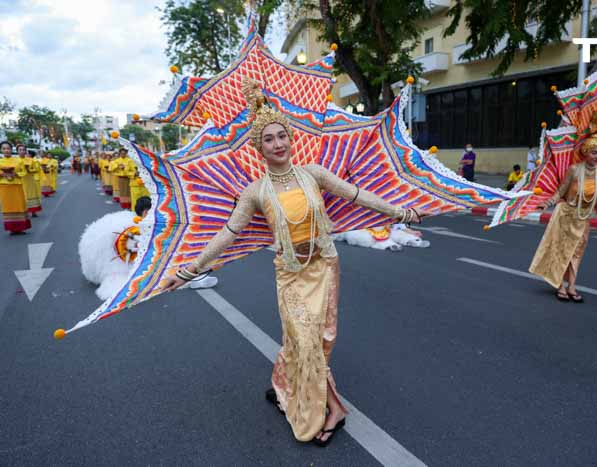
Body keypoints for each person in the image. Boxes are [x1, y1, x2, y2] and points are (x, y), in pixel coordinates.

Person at [160, 79, 425, 447]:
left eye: (281, 135)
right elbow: (227, 234)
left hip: (325, 267)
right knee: (305, 341)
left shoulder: (313, 174)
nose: (277, 144)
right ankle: (335, 409)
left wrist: (401, 213)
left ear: (291, 138)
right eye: (268, 139)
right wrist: (188, 270)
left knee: (321, 338)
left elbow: (357, 196)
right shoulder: (255, 192)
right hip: (291, 275)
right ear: (259, 148)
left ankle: (283, 383)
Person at [530, 112, 597, 303]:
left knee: (576, 253)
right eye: (593, 152)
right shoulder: (574, 170)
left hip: (583, 219)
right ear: (585, 152)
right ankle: (559, 286)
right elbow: (560, 191)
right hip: (565, 214)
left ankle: (572, 286)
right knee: (561, 251)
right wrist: (547, 204)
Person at [0, 141, 31, 234]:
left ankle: (21, 227)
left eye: (8, 148)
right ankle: (12, 228)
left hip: (17, 185)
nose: (6, 150)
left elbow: (24, 172)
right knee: (7, 207)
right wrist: (3, 174)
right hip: (4, 186)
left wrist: (16, 174)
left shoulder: (18, 161)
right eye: (4, 148)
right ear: (1, 150)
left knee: (19, 206)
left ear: (11, 149)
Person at [18, 145, 42, 217]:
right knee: (22, 196)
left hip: (30, 180)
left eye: (23, 150)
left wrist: (29, 170)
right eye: (20, 150)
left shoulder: (31, 160)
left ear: (25, 151)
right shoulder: (15, 161)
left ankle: (33, 211)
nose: (22, 151)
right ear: (17, 151)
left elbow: (37, 169)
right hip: (20, 181)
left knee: (31, 195)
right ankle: (23, 211)